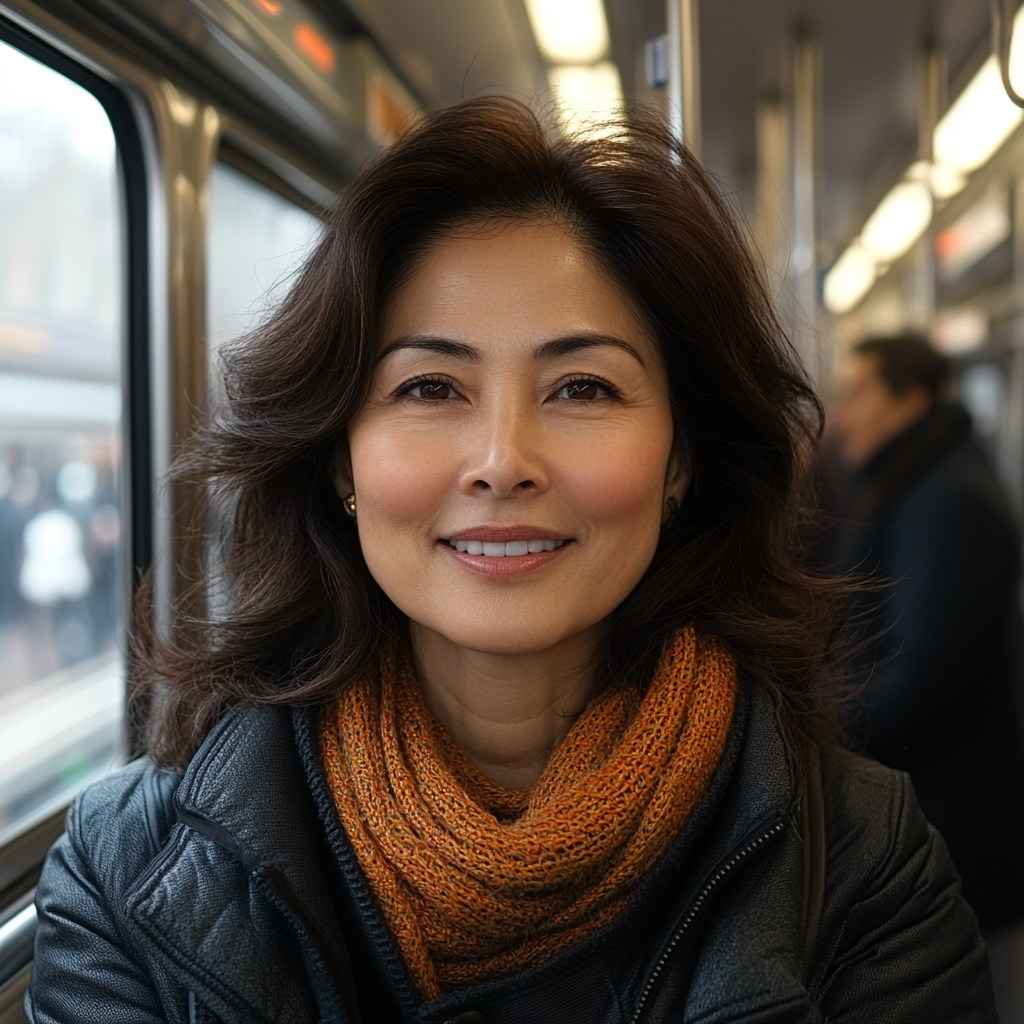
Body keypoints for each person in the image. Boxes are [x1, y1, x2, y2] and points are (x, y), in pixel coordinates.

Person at [26, 100, 996, 1024]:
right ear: (340, 458)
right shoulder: (127, 874)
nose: (502, 462)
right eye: (431, 386)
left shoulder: (864, 861)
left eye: (581, 386)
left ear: (679, 461)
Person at [832, 335, 1024, 1018]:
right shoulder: (917, 482)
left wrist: (813, 733)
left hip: (956, 814)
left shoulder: (947, 500)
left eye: (859, 394)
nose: (845, 414)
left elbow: (919, 681)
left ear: (910, 400)